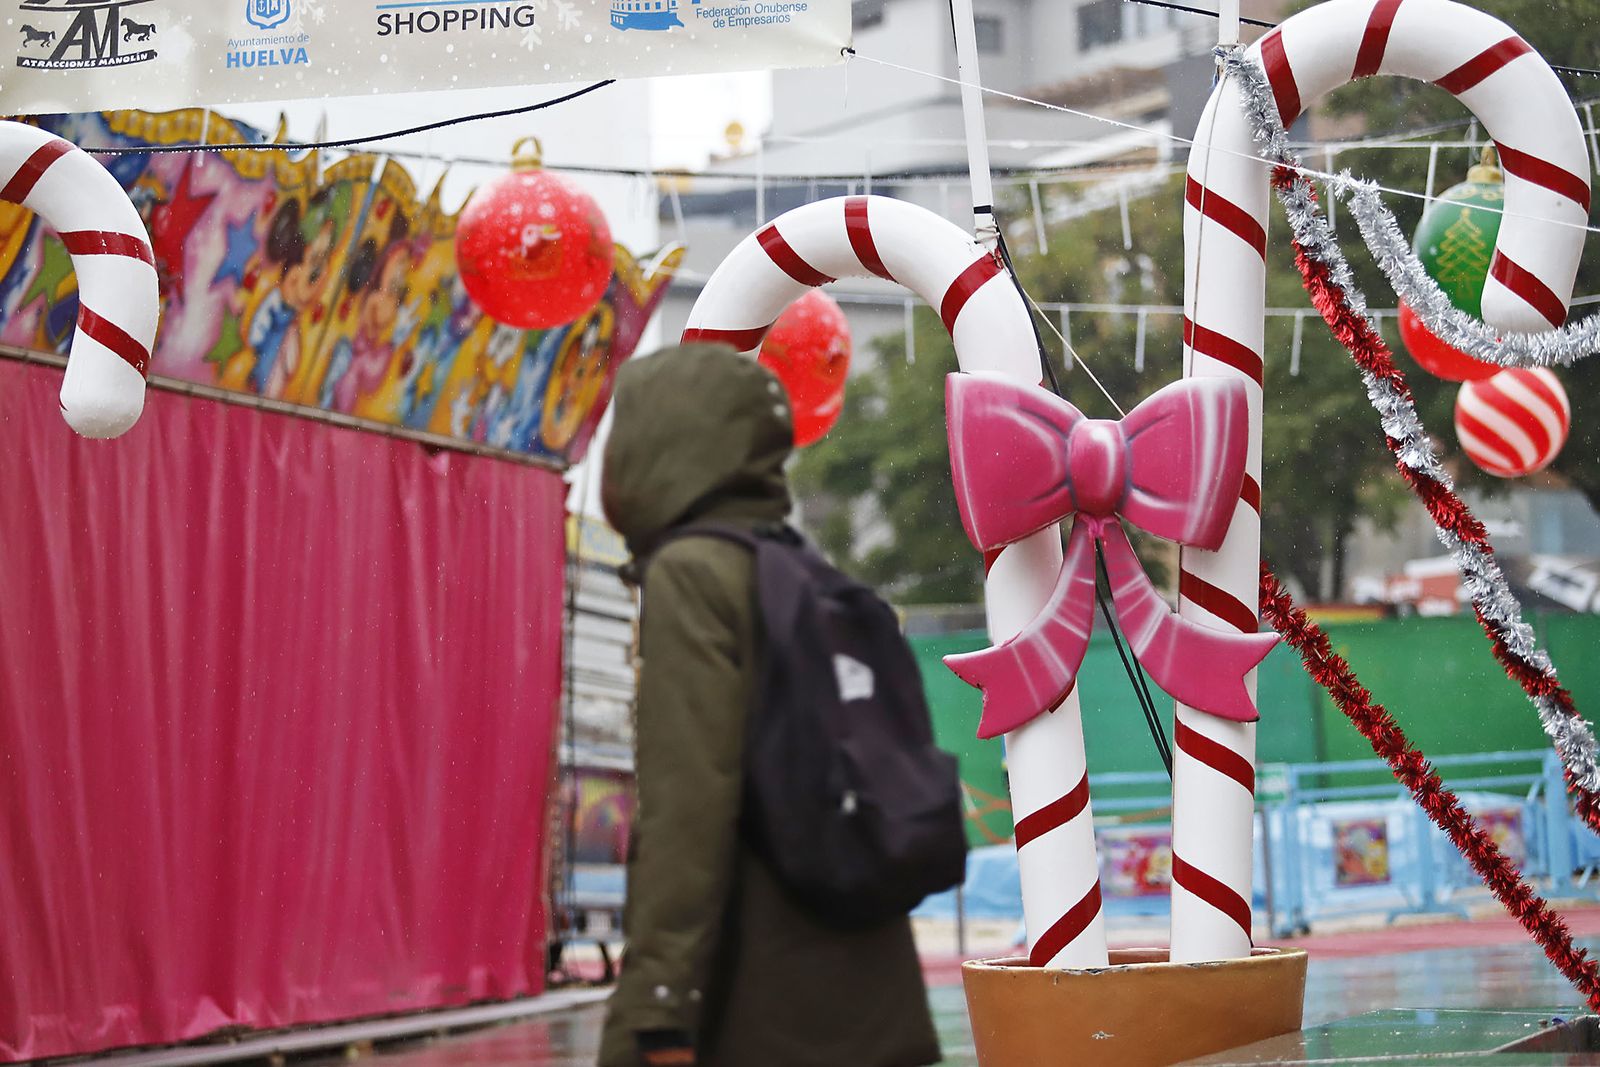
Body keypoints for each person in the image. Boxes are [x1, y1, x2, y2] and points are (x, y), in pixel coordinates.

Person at [597, 343, 941, 1067]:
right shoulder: (796, 566)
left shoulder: (693, 575)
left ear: (657, 445)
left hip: (764, 998)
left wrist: (658, 1008)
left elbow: (689, 803)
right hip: (866, 979)